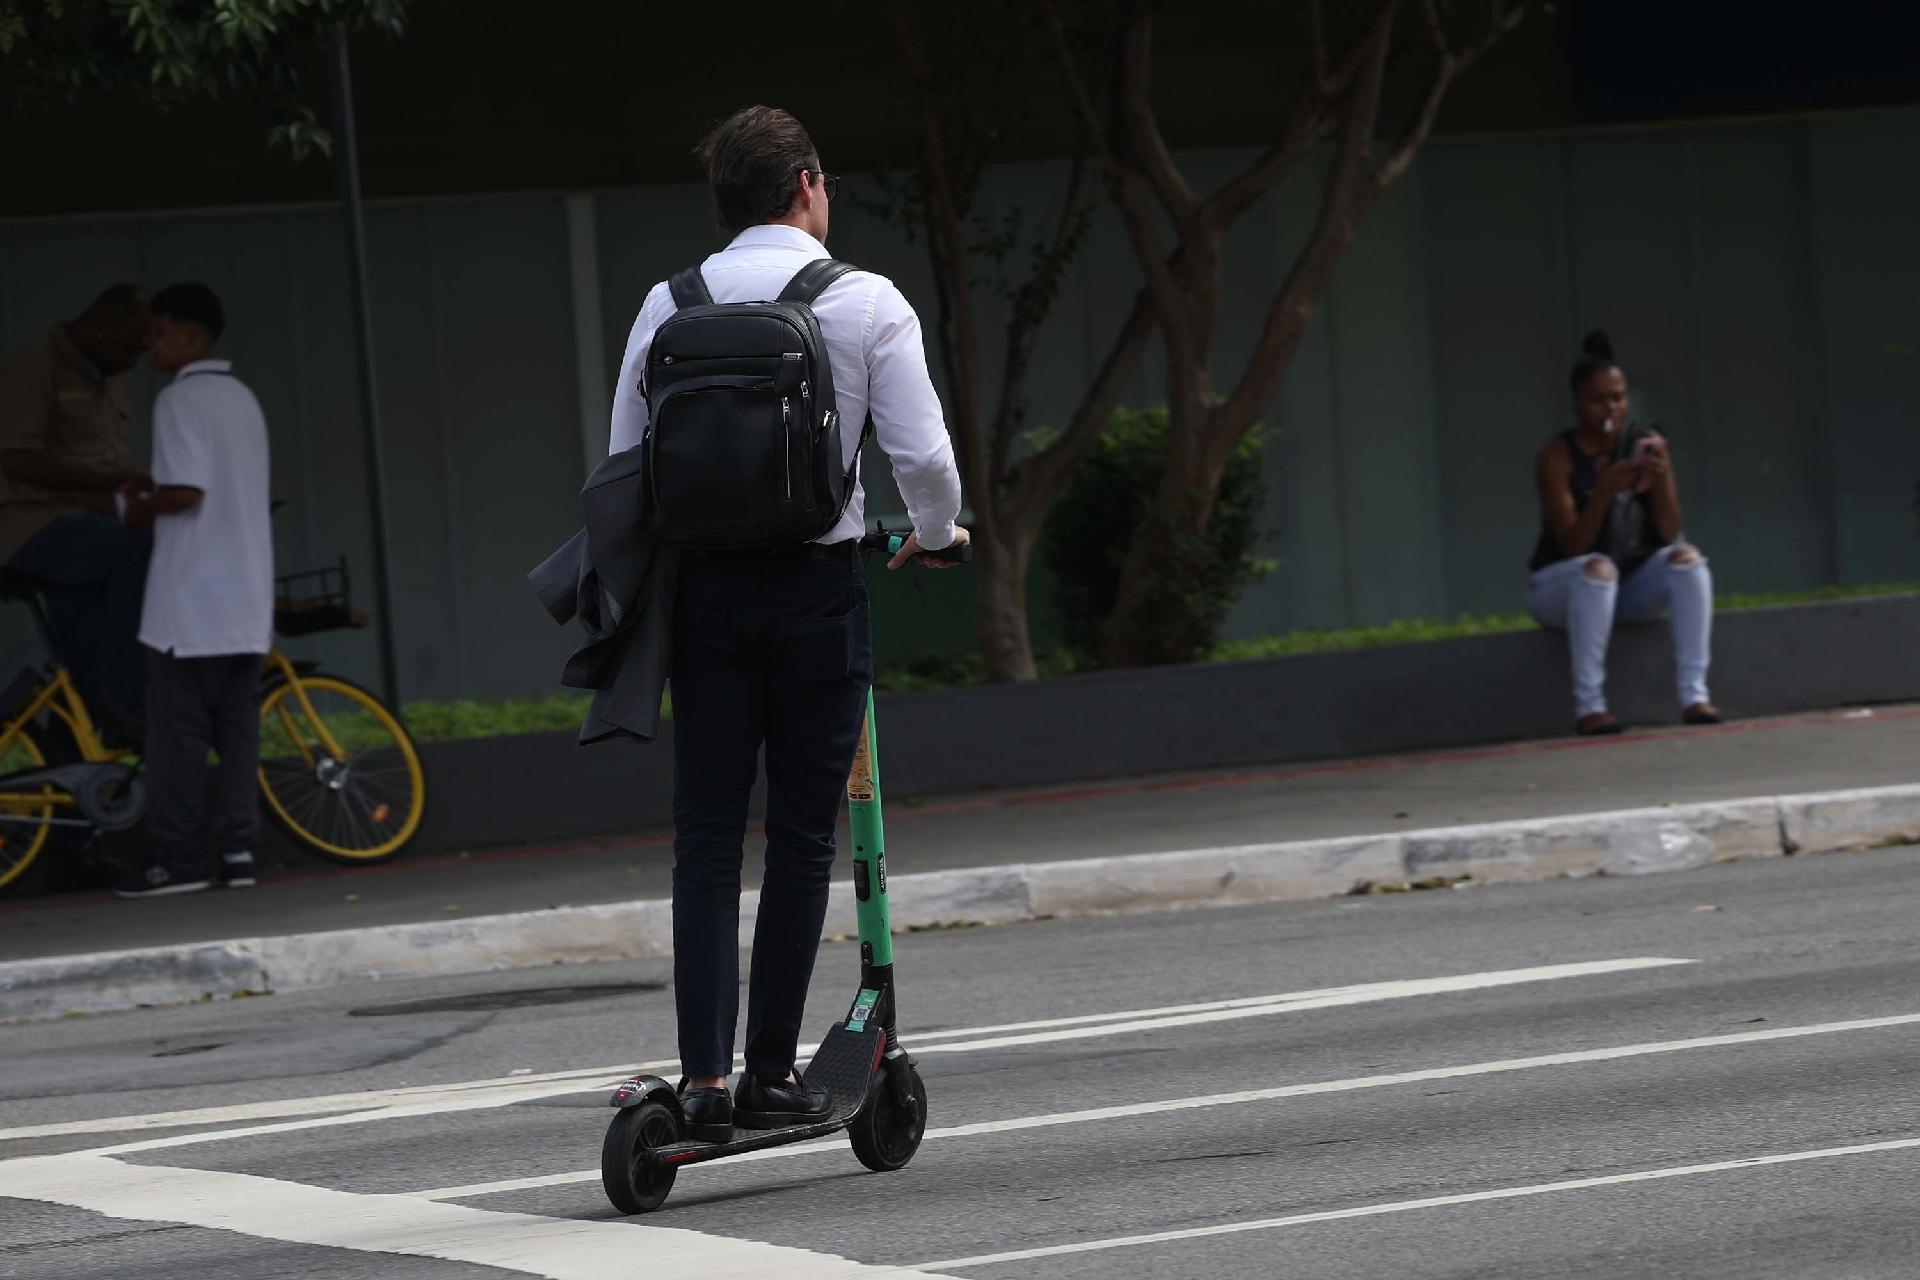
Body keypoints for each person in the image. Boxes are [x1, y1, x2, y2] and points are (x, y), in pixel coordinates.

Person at [608, 105, 966, 1141]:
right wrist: (936, 531)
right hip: (816, 592)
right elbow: (926, 463)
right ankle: (773, 1071)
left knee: (707, 839)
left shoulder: (664, 306)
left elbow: (627, 460)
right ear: (808, 183)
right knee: (804, 832)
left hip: (705, 595)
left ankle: (705, 1081)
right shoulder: (865, 302)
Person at [113, 284, 274, 899]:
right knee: (236, 733)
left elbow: (184, 493)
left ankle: (176, 860)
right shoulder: (243, 399)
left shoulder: (179, 401)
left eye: (157, 332)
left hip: (190, 604)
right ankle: (237, 852)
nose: (149, 344)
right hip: (245, 600)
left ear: (189, 335)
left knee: (178, 736)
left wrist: (132, 507)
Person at [1527, 331, 1719, 736]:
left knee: (1689, 562)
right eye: (1598, 399)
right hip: (1560, 587)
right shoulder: (1557, 456)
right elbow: (1572, 544)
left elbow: (1668, 534)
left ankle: (1694, 696)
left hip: (1626, 588)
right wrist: (1604, 492)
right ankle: (1591, 706)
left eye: (1618, 397)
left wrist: (1663, 480)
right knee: (1597, 568)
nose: (1610, 408)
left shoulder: (1641, 444)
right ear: (1577, 402)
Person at [0, 284, 155, 745]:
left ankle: (71, 777)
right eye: (130, 346)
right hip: (29, 526)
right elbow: (14, 458)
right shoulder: (33, 367)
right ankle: (127, 702)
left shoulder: (105, 372)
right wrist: (116, 481)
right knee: (140, 549)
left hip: (83, 529)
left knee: (84, 663)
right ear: (101, 324)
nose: (134, 360)